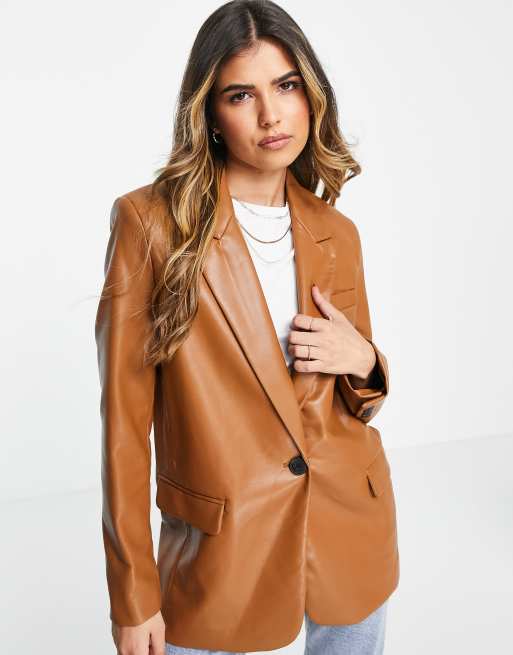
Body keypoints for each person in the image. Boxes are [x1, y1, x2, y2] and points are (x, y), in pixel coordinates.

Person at [94, 1, 400, 654]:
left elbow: (355, 403)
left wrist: (365, 361)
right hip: (221, 548)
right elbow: (123, 425)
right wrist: (133, 593)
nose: (271, 115)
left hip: (350, 526)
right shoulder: (151, 226)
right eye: (241, 95)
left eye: (286, 86)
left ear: (310, 93)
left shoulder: (337, 232)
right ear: (209, 112)